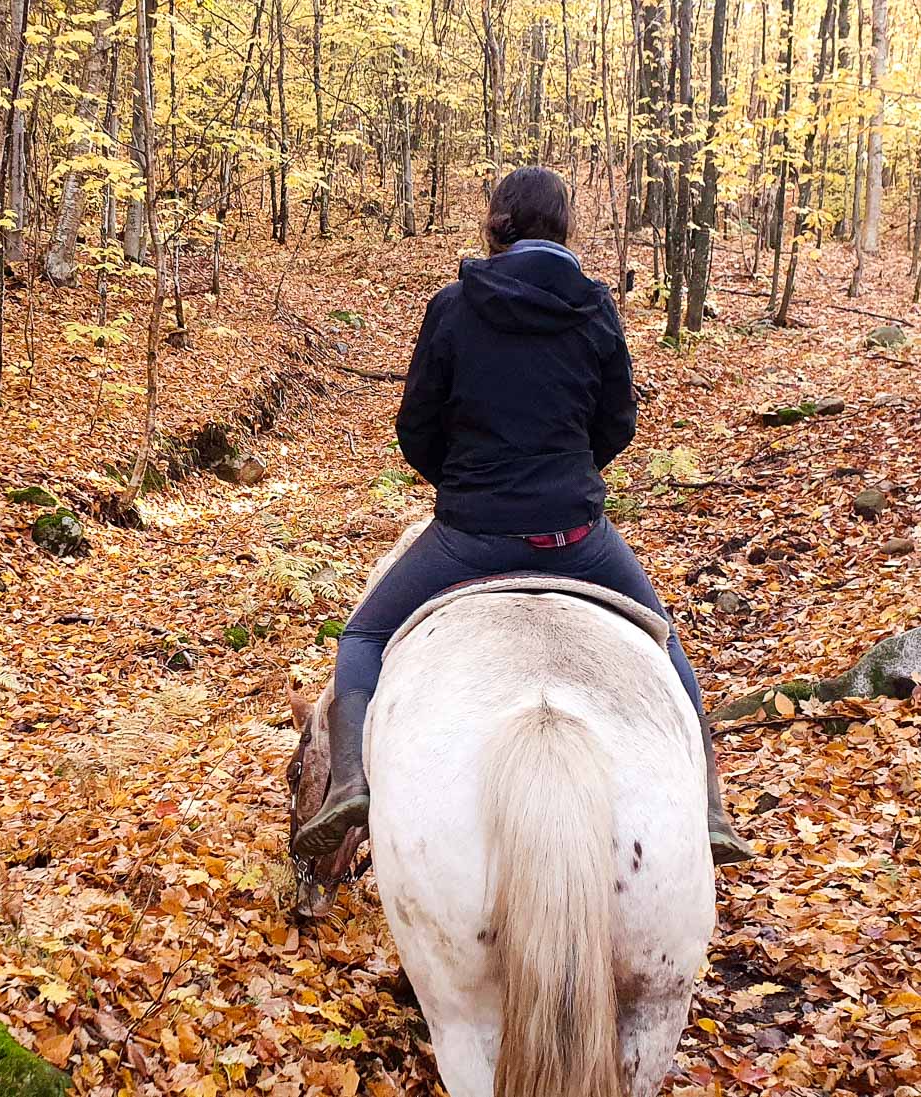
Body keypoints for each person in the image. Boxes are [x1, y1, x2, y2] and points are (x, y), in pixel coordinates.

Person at [292, 165, 750, 865]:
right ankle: (711, 804)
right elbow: (617, 421)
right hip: (575, 538)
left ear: (496, 223)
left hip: (470, 538)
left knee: (362, 634)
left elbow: (415, 425)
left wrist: (465, 489)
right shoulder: (596, 306)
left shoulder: (453, 306)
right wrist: (570, 479)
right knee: (665, 641)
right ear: (564, 227)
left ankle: (351, 781)